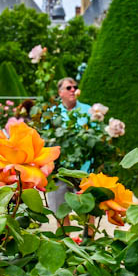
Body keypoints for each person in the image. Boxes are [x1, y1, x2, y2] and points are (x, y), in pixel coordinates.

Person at [47, 78, 92, 218]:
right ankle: (65, 238)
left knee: (89, 207)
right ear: (60, 93)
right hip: (59, 169)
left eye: (75, 87)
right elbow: (45, 139)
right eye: (68, 88)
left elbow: (96, 136)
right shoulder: (51, 113)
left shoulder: (88, 110)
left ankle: (88, 239)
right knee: (61, 211)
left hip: (84, 169)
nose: (73, 89)